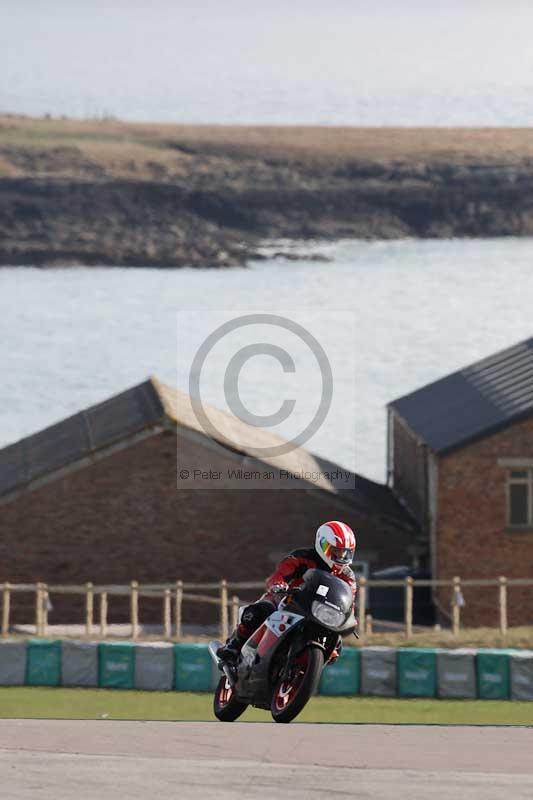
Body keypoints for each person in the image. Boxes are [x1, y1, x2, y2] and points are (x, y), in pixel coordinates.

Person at [217, 520, 357, 663]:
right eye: (335, 550)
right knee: (256, 613)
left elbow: (348, 601)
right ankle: (233, 645)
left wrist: (348, 617)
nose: (340, 556)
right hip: (287, 600)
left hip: (320, 613)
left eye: (345, 553)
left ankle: (301, 672)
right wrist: (279, 584)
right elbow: (280, 574)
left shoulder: (347, 576)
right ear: (322, 544)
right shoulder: (302, 557)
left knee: (336, 646)